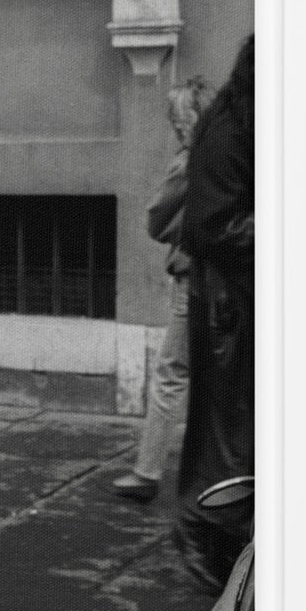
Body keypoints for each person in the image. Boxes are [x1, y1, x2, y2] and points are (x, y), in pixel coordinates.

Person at [173, 36, 256, 593]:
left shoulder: (240, 122)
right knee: (228, 431)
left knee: (237, 428)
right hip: (230, 306)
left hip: (240, 299)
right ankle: (206, 531)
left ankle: (217, 533)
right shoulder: (227, 129)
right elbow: (210, 225)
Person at [112, 78, 212, 503]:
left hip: (194, 277)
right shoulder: (243, 157)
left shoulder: (190, 162)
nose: (174, 124)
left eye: (178, 116)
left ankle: (147, 471)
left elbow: (157, 219)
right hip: (236, 278)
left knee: (172, 373)